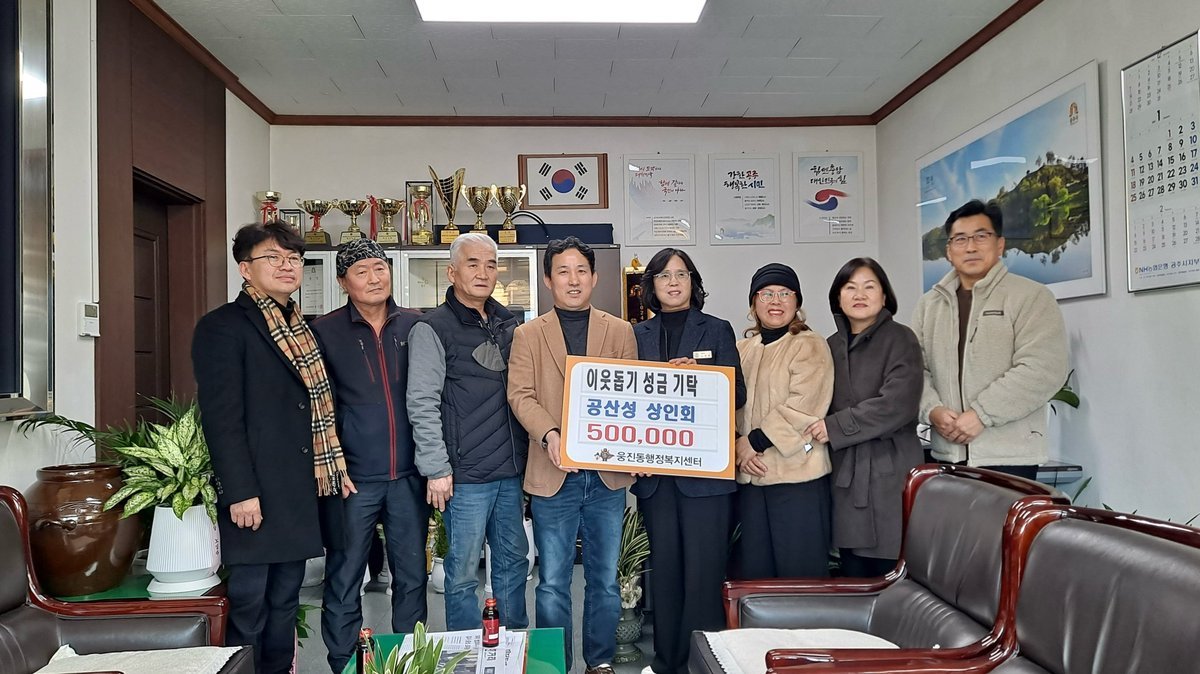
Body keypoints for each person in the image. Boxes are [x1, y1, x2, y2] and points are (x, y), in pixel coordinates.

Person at [192, 221, 349, 674]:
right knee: (249, 603)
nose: (286, 266)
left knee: (285, 602)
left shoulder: (303, 328)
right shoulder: (223, 327)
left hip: (297, 489)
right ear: (245, 268)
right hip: (256, 492)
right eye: (273, 258)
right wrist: (240, 491)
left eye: (294, 258)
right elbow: (222, 418)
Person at [507, 237, 638, 674]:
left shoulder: (619, 331)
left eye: (581, 270)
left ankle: (599, 662)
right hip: (553, 473)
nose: (573, 279)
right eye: (563, 271)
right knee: (552, 582)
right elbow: (520, 394)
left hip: (607, 477)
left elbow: (632, 397)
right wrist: (550, 434)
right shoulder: (527, 334)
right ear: (548, 280)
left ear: (595, 277)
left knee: (604, 580)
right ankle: (554, 666)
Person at [311, 239, 428, 673]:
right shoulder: (324, 332)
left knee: (411, 577)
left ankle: (409, 661)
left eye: (380, 268)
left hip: (409, 476)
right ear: (343, 282)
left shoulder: (417, 325)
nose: (374, 278)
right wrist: (331, 462)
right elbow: (317, 407)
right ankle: (345, 663)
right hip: (352, 478)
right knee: (344, 578)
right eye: (361, 271)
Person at [406, 232, 530, 631]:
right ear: (452, 272)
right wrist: (436, 468)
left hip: (509, 471)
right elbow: (421, 402)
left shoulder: (508, 324)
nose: (483, 273)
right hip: (464, 477)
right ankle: (464, 652)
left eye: (491, 265)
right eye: (472, 264)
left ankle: (511, 645)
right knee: (461, 573)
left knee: (513, 562)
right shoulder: (433, 328)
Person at [632, 248, 745, 674]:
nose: (673, 282)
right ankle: (666, 661)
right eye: (664, 275)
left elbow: (737, 394)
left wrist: (698, 377)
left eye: (681, 274)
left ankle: (702, 663)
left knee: (703, 572)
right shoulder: (636, 335)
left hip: (706, 477)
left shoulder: (717, 329)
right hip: (657, 477)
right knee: (664, 572)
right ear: (651, 286)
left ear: (693, 282)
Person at [912, 199, 1069, 479]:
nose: (970, 247)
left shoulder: (1031, 297)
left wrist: (981, 414)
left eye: (981, 236)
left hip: (1010, 455)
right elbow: (913, 369)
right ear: (948, 250)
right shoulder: (929, 305)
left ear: (1000, 244)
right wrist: (932, 410)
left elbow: (1043, 368)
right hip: (947, 452)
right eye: (960, 239)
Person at [804, 258, 924, 578]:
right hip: (844, 473)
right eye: (850, 287)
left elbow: (897, 404)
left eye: (869, 287)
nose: (860, 294)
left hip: (890, 469)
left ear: (884, 296)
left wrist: (835, 426)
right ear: (838, 297)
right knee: (852, 572)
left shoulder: (901, 339)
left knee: (891, 572)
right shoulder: (829, 346)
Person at [733, 263, 835, 579]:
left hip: (797, 479)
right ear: (753, 303)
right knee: (756, 576)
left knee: (799, 576)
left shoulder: (810, 344)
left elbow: (804, 406)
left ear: (797, 301)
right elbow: (728, 401)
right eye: (766, 294)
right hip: (751, 478)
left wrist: (752, 443)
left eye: (784, 293)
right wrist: (737, 445)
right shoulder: (742, 349)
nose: (775, 301)